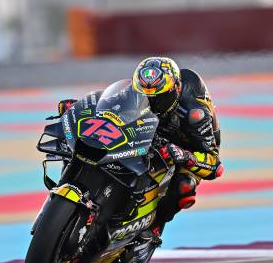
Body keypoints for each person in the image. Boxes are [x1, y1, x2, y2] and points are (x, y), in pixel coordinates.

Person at [57, 56, 223, 245]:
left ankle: (155, 228)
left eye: (158, 99)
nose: (151, 102)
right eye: (144, 96)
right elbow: (109, 104)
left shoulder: (195, 115)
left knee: (183, 185)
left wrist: (186, 156)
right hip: (150, 131)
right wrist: (78, 107)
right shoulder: (140, 90)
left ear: (174, 90)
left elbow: (215, 164)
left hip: (188, 145)